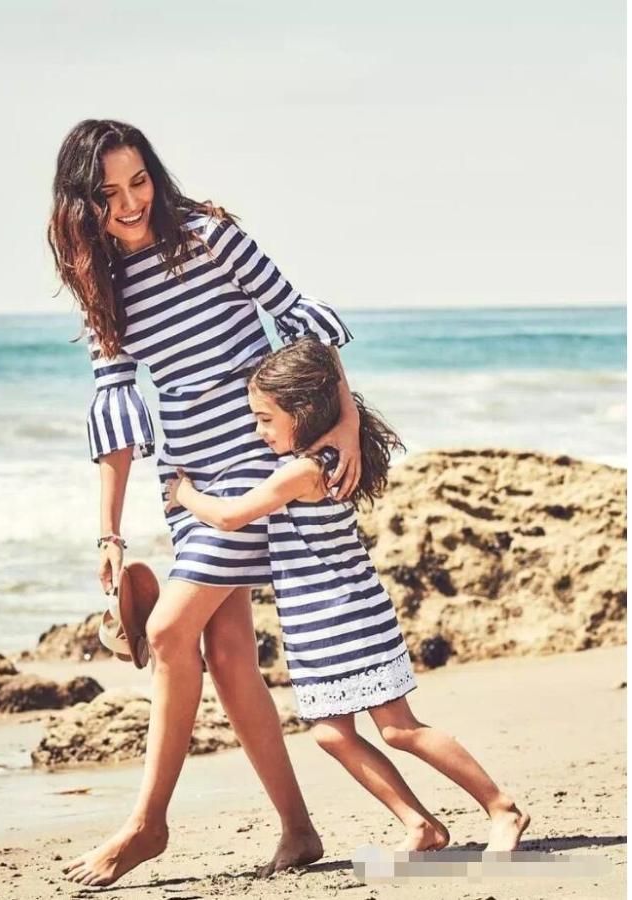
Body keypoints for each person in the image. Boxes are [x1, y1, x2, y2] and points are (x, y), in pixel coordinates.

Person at [47, 118, 362, 887]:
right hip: (186, 479)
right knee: (225, 657)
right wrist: (108, 534)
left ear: (156, 174)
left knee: (165, 631)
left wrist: (345, 425)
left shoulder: (207, 235)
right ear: (81, 203)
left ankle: (146, 825)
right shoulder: (100, 283)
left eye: (140, 181)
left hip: (256, 461)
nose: (130, 203)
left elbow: (299, 322)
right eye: (109, 191)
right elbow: (116, 407)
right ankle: (297, 830)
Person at [164, 337, 531, 853]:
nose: (257, 430)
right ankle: (421, 826)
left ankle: (502, 808)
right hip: (315, 623)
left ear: (303, 412)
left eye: (265, 418)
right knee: (331, 734)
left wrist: (182, 493)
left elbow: (230, 517)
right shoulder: (325, 452)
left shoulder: (307, 469)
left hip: (348, 612)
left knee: (399, 729)